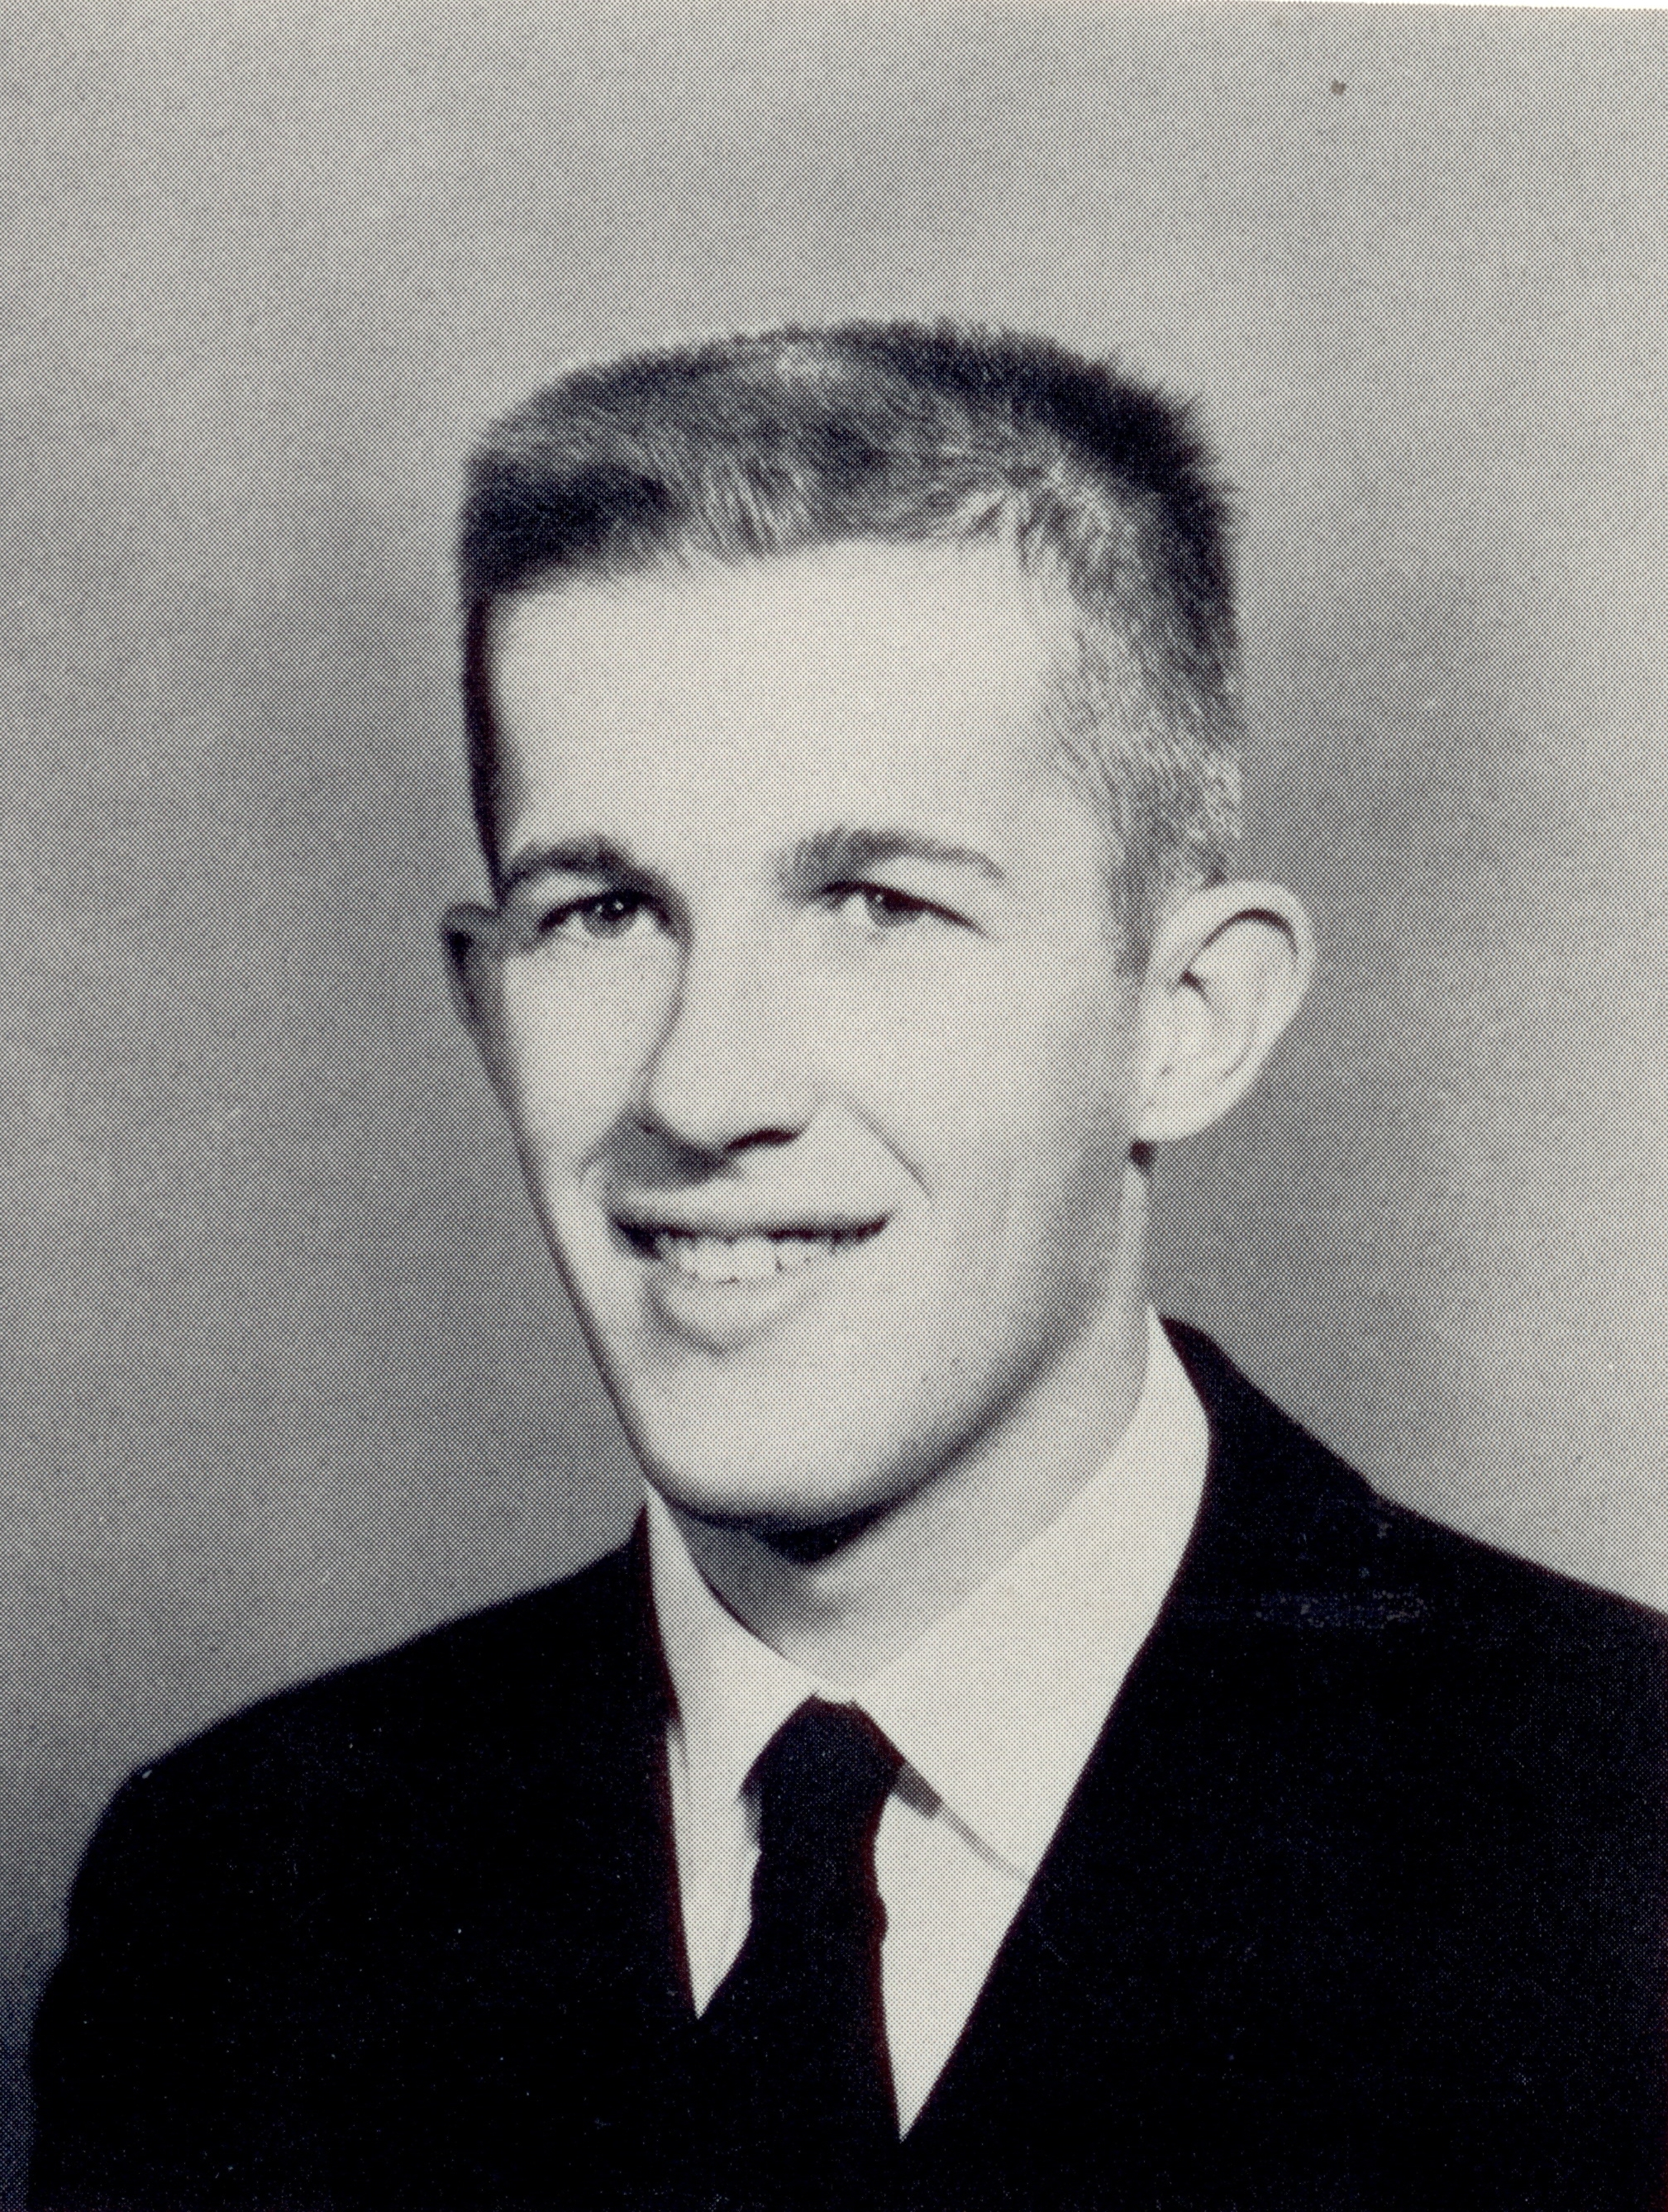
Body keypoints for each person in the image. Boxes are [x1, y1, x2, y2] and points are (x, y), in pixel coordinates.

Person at [29, 323, 1668, 2212]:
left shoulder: (1611, 1845)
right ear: (485, 1007)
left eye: (879, 904)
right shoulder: (240, 1898)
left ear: (1187, 1018)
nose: (704, 1089)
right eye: (604, 912)